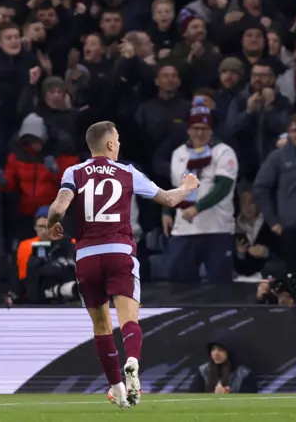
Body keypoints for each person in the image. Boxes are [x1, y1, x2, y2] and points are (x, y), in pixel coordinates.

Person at [44, 121, 199, 409]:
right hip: (119, 252)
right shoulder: (127, 172)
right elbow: (167, 198)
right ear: (111, 144)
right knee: (128, 318)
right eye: (118, 139)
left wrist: (52, 225)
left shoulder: (74, 172)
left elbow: (58, 208)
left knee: (101, 327)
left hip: (87, 256)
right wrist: (188, 186)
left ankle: (117, 388)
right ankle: (132, 360)